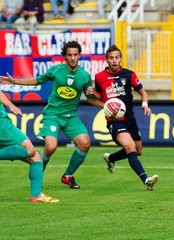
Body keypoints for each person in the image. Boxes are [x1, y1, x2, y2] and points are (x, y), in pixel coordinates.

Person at [0, 41, 103, 190]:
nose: (73, 58)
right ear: (64, 56)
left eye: (75, 55)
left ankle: (67, 176)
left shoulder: (85, 76)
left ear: (79, 55)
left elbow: (92, 98)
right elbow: (36, 80)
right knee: (50, 146)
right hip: (52, 115)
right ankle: (38, 174)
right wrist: (14, 81)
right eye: (70, 55)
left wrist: (105, 104)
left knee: (85, 143)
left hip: (70, 117)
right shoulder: (56, 71)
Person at [92, 44, 158, 191]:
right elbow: (96, 97)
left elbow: (143, 92)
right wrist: (106, 107)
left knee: (138, 151)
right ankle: (146, 180)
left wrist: (145, 104)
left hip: (130, 118)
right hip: (114, 120)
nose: (114, 61)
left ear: (120, 59)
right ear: (106, 60)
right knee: (129, 147)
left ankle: (111, 158)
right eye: (111, 58)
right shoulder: (99, 77)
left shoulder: (129, 74)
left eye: (117, 58)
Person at [0, 91, 59, 202]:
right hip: (1, 123)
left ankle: (36, 195)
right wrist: (11, 105)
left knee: (36, 158)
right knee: (29, 150)